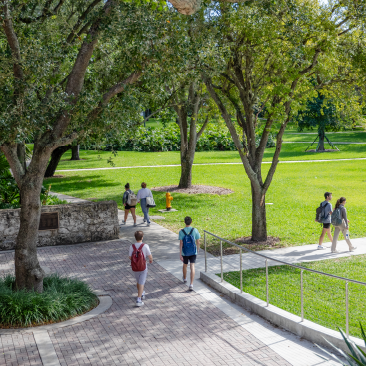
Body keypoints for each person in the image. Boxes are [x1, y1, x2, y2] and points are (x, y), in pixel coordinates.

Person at [129, 230, 153, 307]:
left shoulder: (132, 246)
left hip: (135, 267)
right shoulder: (145, 246)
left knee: (139, 281)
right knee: (142, 282)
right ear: (142, 238)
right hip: (143, 267)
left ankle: (141, 292)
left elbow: (130, 257)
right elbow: (149, 256)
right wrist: (150, 260)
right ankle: (139, 299)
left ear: (135, 238)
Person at [179, 216, 200, 291]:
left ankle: (185, 278)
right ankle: (191, 284)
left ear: (184, 222)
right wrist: (197, 250)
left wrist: (180, 254)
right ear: (191, 222)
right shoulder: (195, 230)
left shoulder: (181, 231)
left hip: (185, 252)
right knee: (192, 266)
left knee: (185, 265)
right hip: (193, 251)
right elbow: (198, 242)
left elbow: (181, 243)